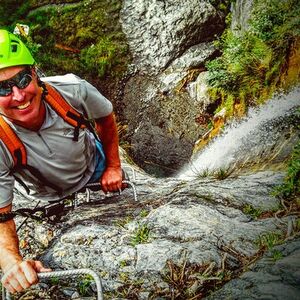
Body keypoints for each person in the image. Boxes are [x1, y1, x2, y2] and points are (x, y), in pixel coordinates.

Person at [0, 29, 123, 294]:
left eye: (22, 79)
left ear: (35, 73)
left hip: (93, 168)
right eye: (2, 88)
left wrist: (113, 166)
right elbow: (1, 215)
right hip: (42, 195)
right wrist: (12, 263)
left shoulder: (71, 91)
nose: (19, 95)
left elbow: (105, 116)